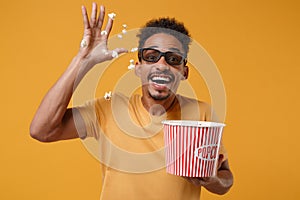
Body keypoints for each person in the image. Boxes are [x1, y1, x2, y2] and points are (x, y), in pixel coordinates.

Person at [30, 2, 233, 199]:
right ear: (138, 67)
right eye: (151, 56)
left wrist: (211, 178)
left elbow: (225, 179)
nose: (161, 65)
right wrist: (83, 61)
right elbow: (42, 130)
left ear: (184, 72)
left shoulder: (201, 113)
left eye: (173, 59)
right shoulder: (107, 109)